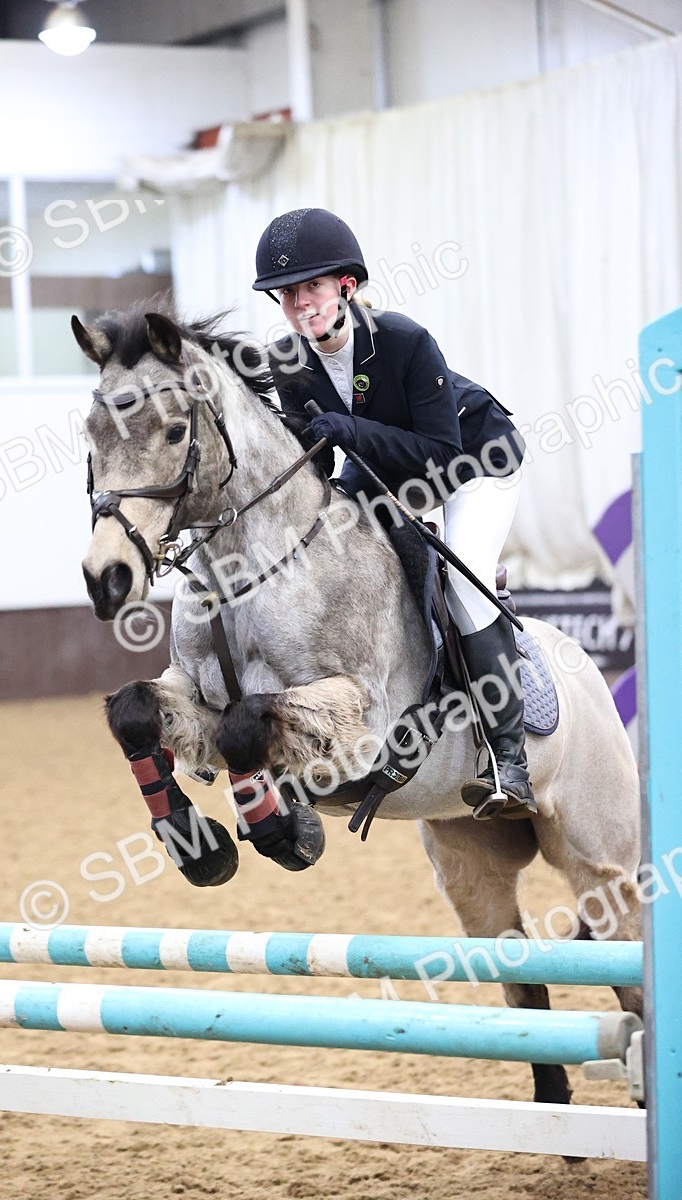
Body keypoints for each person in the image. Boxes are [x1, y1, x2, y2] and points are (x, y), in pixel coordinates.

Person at [253, 206, 535, 819]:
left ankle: (509, 763)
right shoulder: (288, 361)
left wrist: (349, 429)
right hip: (389, 469)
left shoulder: (404, 339)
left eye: (312, 289)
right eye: (287, 296)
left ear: (346, 288)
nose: (299, 305)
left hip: (473, 462)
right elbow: (319, 472)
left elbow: (442, 451)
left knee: (464, 584)